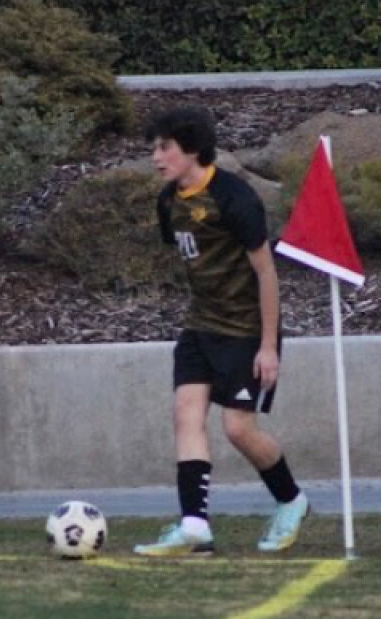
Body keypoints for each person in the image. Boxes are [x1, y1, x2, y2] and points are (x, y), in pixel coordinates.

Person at [133, 106, 309, 557]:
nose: (156, 157)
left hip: (246, 330)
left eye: (165, 147)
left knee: (238, 428)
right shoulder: (168, 202)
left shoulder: (234, 198)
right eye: (154, 148)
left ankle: (291, 500)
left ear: (192, 149)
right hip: (201, 325)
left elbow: (267, 273)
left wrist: (268, 346)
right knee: (185, 412)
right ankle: (195, 525)